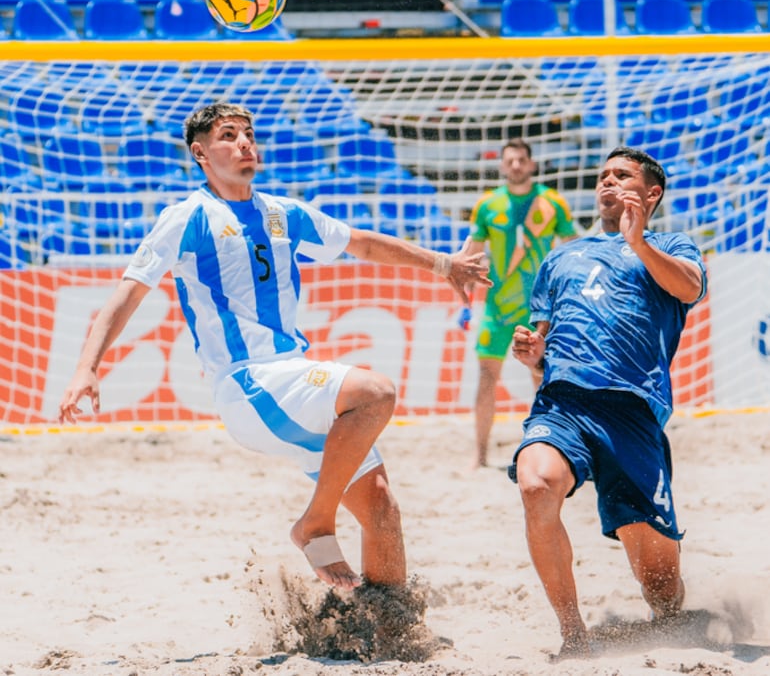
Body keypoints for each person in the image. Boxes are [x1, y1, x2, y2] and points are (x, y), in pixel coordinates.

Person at [58, 102, 492, 593]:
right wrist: (86, 368)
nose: (244, 143)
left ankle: (384, 626)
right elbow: (127, 295)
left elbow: (362, 243)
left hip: (289, 377)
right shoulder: (187, 217)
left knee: (382, 509)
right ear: (200, 153)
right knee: (375, 391)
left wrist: (442, 264)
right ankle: (315, 522)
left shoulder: (281, 211)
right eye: (228, 135)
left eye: (248, 133)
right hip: (248, 383)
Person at [509, 146, 707, 658]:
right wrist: (532, 350)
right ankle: (575, 635)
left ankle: (670, 622)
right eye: (602, 176)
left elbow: (689, 290)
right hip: (564, 402)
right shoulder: (561, 257)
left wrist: (638, 242)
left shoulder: (671, 245)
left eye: (622, 175)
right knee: (534, 485)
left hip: (632, 409)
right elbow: (540, 344)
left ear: (651, 193)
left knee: (661, 587)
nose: (607, 182)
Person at [466, 138, 576, 469]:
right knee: (486, 378)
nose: (515, 165)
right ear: (502, 165)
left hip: (539, 310)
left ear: (531, 164)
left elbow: (572, 247)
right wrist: (464, 292)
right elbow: (472, 252)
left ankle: (552, 447)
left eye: (521, 160)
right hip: (498, 309)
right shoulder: (488, 205)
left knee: (541, 378)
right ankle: (481, 455)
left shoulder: (552, 202)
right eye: (510, 160)